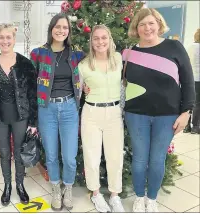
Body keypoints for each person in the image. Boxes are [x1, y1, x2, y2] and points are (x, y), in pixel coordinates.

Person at [123, 8, 195, 212]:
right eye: (142, 24)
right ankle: (139, 196)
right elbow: (116, 80)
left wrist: (186, 112)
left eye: (151, 23)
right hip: (136, 114)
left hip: (167, 115)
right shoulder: (129, 54)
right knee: (138, 159)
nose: (147, 28)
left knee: (157, 159)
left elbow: (188, 82)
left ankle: (151, 198)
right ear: (136, 28)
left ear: (159, 24)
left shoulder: (174, 47)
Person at [29, 13, 84, 211]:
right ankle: (55, 187)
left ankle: (67, 188)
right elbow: (30, 83)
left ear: (69, 31)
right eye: (58, 27)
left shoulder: (76, 53)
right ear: (51, 29)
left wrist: (87, 87)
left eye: (65, 27)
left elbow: (89, 73)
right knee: (51, 155)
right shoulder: (38, 53)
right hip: (47, 109)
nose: (61, 30)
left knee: (69, 156)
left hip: (69, 107)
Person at [0, 23, 38, 206]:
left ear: (14, 40)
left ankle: (20, 185)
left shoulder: (25, 64)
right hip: (0, 118)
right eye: (2, 37)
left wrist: (33, 121)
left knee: (19, 153)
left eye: (9, 38)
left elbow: (33, 93)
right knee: (4, 153)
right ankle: (7, 185)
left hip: (21, 117)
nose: (5, 41)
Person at [78, 25, 125, 212]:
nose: (100, 42)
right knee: (92, 157)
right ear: (91, 42)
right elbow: (78, 90)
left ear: (110, 39)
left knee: (115, 157)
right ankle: (96, 194)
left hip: (114, 113)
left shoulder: (119, 59)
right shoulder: (84, 65)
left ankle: (115, 196)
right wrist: (83, 89)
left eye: (103, 37)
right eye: (96, 38)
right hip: (91, 114)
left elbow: (125, 82)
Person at [184, 28, 200, 134]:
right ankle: (195, 127)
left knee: (190, 102)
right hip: (199, 79)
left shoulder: (190, 47)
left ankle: (186, 127)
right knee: (198, 104)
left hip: (190, 78)